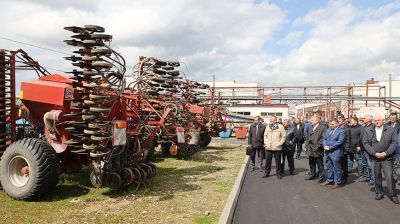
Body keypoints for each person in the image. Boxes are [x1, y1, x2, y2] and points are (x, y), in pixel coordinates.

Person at [363, 114, 399, 204]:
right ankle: (379, 192)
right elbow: (366, 143)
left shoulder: (390, 129)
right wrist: (375, 153)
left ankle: (393, 194)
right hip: (374, 157)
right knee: (376, 175)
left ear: (382, 120)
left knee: (389, 176)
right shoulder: (368, 130)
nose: (377, 122)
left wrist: (386, 153)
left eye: (379, 120)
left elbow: (394, 142)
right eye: (375, 121)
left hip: (387, 157)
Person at [321, 119, 346, 189]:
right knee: (329, 166)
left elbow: (340, 142)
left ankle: (337, 182)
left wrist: (330, 147)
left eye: (333, 124)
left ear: (338, 124)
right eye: (330, 124)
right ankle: (329, 180)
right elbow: (324, 139)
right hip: (328, 152)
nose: (331, 125)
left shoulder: (341, 131)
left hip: (336, 152)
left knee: (337, 168)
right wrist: (324, 145)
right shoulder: (328, 130)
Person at [305, 116, 326, 183]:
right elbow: (308, 137)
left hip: (318, 149)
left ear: (317, 121)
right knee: (311, 163)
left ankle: (321, 177)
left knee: (319, 164)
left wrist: (318, 146)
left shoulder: (322, 127)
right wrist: (306, 145)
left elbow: (323, 138)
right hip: (310, 148)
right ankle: (312, 174)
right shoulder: (311, 127)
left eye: (312, 120)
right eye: (311, 120)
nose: (311, 121)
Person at [359, 115, 374, 185]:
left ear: (369, 120)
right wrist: (359, 145)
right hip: (362, 148)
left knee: (370, 165)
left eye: (364, 118)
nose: (363, 119)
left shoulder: (373, 127)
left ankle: (372, 179)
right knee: (364, 163)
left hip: (369, 149)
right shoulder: (363, 127)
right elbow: (360, 137)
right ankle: (366, 177)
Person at [338, 116, 350, 184]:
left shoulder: (346, 129)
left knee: (344, 164)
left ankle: (345, 177)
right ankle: (340, 176)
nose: (338, 122)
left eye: (340, 121)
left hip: (344, 149)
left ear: (343, 122)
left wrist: (346, 149)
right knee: (339, 163)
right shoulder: (337, 128)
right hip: (338, 149)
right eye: (338, 121)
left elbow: (348, 140)